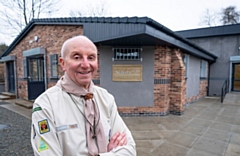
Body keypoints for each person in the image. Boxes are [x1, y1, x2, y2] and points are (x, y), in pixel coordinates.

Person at [31, 35, 136, 156]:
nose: (86, 65)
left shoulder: (106, 98)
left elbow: (130, 150)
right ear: (63, 63)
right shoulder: (45, 105)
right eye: (77, 57)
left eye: (91, 57)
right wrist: (111, 153)